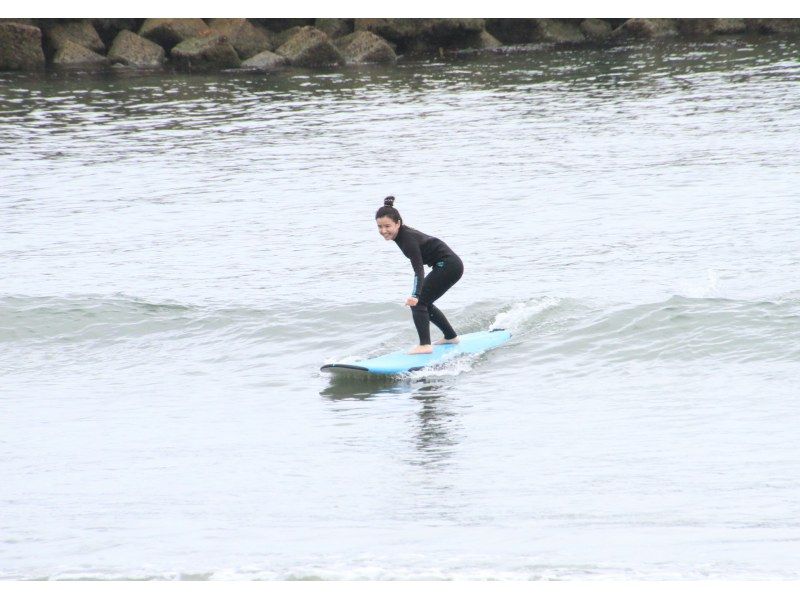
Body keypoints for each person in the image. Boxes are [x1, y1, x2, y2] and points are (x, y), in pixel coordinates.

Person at [375, 196, 464, 354]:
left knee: (418, 302)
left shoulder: (407, 240)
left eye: (387, 226)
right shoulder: (401, 234)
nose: (383, 231)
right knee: (425, 302)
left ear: (398, 223)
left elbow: (418, 270)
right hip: (448, 265)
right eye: (380, 227)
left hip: (448, 265)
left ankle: (425, 345)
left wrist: (415, 295)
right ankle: (450, 336)